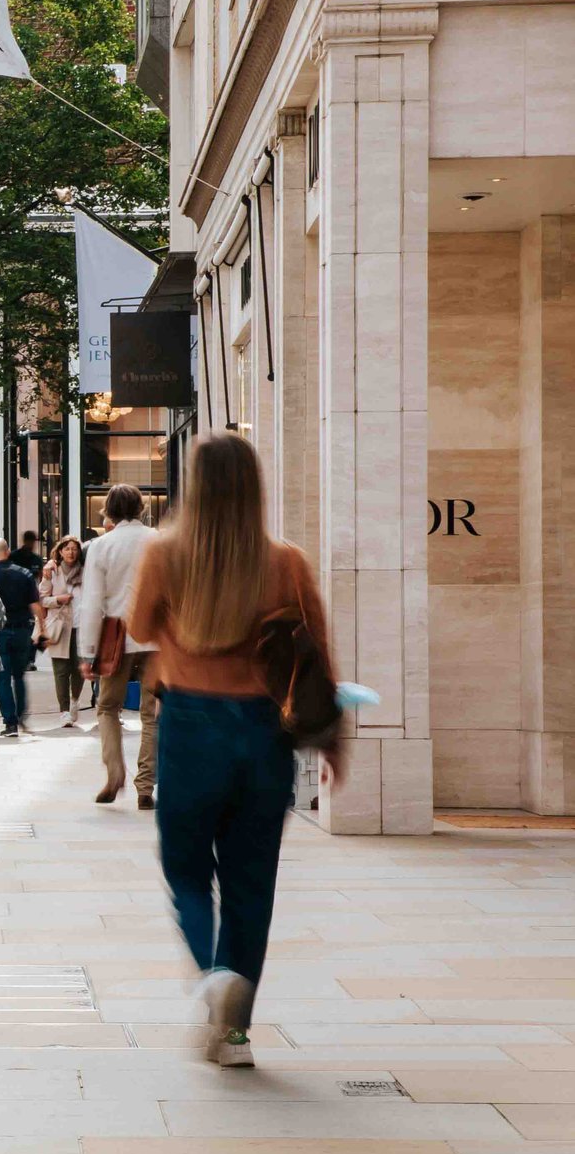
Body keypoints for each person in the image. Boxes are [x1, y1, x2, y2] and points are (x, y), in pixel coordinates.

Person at [129, 431, 340, 1067]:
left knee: (186, 869)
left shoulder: (166, 554)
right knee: (252, 883)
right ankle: (236, 1036)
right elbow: (318, 654)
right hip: (262, 733)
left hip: (191, 725)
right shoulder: (286, 562)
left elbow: (139, 626)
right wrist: (333, 743)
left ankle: (213, 978)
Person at [76, 483, 162, 808]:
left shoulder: (101, 546)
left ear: (109, 511)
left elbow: (92, 602)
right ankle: (145, 786)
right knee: (151, 711)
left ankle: (114, 772)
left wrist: (87, 651)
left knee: (107, 707)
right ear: (140, 507)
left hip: (116, 637)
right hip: (154, 635)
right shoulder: (159, 541)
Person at [0, 537, 44, 737]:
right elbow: (36, 606)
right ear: (8, 552)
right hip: (22, 631)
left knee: (1, 679)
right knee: (19, 676)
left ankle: (10, 723)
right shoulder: (25, 574)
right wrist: (41, 628)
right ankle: (20, 716)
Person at [40, 535, 88, 725]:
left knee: (79, 669)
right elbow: (42, 598)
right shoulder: (52, 572)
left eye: (74, 549)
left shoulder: (85, 572)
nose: (71, 552)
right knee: (60, 671)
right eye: (67, 549)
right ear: (60, 551)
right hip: (60, 628)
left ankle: (75, 701)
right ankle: (64, 711)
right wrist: (58, 599)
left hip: (81, 627)